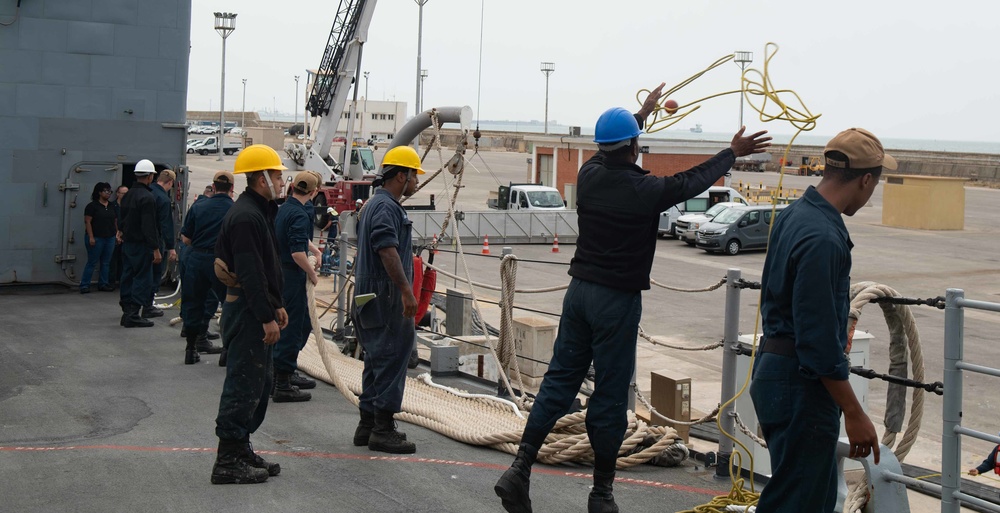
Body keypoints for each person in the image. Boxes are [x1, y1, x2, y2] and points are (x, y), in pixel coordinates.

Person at [494, 83, 771, 513]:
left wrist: (641, 112)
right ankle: (601, 494)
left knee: (558, 381)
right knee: (607, 396)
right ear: (634, 147)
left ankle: (519, 471)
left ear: (603, 146)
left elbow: (617, 146)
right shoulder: (645, 190)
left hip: (579, 293)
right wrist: (730, 153)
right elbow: (690, 181)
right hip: (616, 302)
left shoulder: (587, 175)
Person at [748, 128, 894, 513]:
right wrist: (854, 411)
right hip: (801, 386)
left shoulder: (796, 215)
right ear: (866, 180)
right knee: (798, 503)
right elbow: (816, 342)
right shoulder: (824, 238)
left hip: (775, 371)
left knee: (795, 494)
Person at [210, 144, 288, 485]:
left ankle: (240, 447)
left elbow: (265, 267)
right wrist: (265, 316)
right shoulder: (246, 217)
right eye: (277, 174)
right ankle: (227, 460)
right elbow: (251, 271)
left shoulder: (259, 211)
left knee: (260, 382)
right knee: (244, 384)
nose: (282, 180)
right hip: (247, 312)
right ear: (261, 179)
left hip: (256, 307)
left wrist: (277, 303)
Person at [351, 146, 425, 455]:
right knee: (394, 357)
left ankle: (367, 425)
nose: (416, 183)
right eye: (413, 177)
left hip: (369, 294)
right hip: (387, 296)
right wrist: (407, 291)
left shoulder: (373, 204)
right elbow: (387, 249)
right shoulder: (386, 208)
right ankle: (383, 429)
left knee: (376, 358)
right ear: (400, 176)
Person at [272, 171, 324, 402]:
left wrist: (313, 250)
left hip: (281, 272)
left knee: (301, 321)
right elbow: (296, 253)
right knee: (294, 326)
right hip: (291, 275)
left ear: (293, 187)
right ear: (314, 192)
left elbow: (298, 239)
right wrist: (312, 273)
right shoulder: (301, 215)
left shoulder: (285, 209)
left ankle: (285, 369)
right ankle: (282, 382)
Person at [178, 171, 234, 364]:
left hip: (197, 258)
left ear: (214, 186)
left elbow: (186, 238)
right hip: (222, 262)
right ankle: (227, 351)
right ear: (232, 189)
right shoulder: (235, 210)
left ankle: (191, 348)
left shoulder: (199, 206)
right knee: (229, 304)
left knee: (193, 303)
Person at [118, 160, 161, 328]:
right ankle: (134, 313)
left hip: (127, 243)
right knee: (142, 278)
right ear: (150, 176)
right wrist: (155, 248)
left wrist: (121, 231)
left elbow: (121, 218)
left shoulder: (127, 195)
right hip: (141, 245)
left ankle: (127, 312)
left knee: (127, 276)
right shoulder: (147, 197)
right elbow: (149, 226)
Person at [147, 169, 178, 318]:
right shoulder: (163, 199)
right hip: (155, 242)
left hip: (139, 241)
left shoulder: (146, 192)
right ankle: (148, 305)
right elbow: (166, 225)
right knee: (154, 273)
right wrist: (171, 247)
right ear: (170, 182)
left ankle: (133, 305)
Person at [79, 182, 117, 294]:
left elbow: (115, 220)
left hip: (109, 237)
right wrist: (91, 237)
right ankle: (85, 285)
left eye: (110, 191)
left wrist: (117, 233)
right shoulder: (92, 206)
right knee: (92, 261)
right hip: (96, 237)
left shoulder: (111, 206)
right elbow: (88, 221)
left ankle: (103, 284)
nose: (108, 193)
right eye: (106, 191)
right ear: (99, 192)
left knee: (106, 262)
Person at [109, 184, 128, 288]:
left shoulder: (131, 206)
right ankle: (111, 281)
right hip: (114, 235)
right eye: (123, 193)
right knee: (113, 260)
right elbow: (112, 220)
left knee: (124, 260)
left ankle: (123, 281)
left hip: (126, 236)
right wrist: (117, 234)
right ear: (117, 194)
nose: (125, 195)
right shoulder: (112, 206)